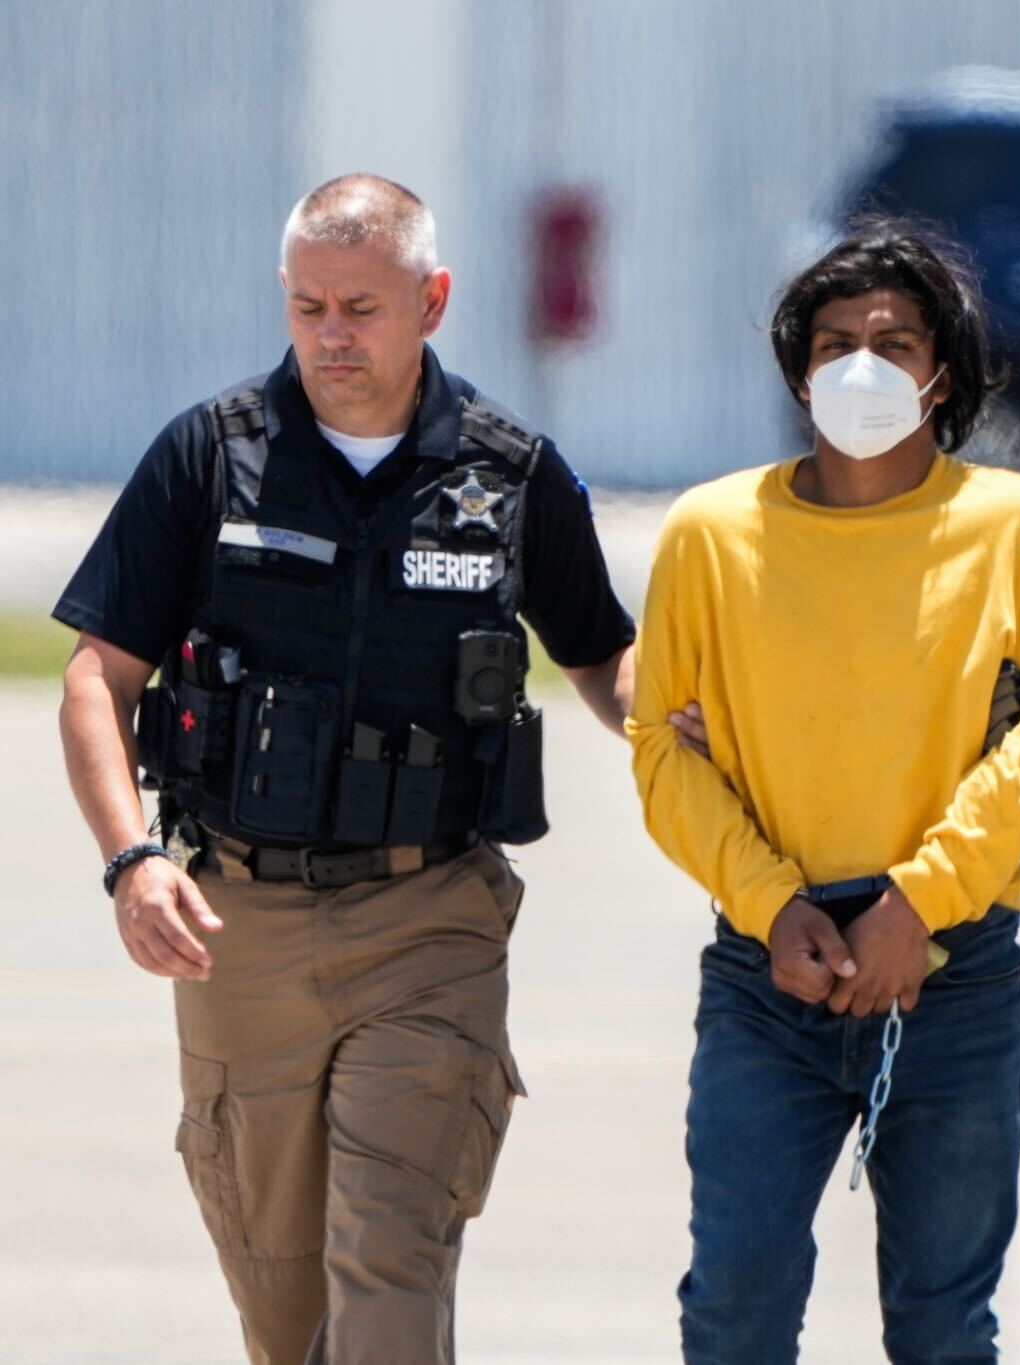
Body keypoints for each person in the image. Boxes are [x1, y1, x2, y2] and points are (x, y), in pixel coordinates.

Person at [53, 174, 637, 1365]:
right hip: (238, 927)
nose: (331, 334)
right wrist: (129, 862)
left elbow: (603, 661)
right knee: (285, 1315)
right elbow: (94, 680)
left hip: (430, 922)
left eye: (361, 307)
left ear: (432, 300)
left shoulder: (509, 475)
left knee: (388, 1266)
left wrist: (708, 738)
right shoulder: (209, 456)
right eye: (308, 305)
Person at [631, 219, 1020, 1365]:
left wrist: (918, 905)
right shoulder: (709, 532)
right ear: (798, 369)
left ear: (945, 372)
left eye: (895, 342)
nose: (863, 367)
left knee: (943, 1328)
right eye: (836, 341)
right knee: (732, 1313)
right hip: (763, 977)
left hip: (956, 975)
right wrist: (766, 905)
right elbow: (661, 750)